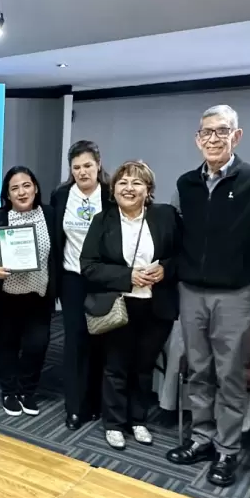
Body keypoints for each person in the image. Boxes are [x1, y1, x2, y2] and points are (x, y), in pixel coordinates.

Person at [166, 105, 250, 487]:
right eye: (206, 132)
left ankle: (227, 450)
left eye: (222, 131)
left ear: (237, 135)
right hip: (193, 292)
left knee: (230, 375)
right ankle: (201, 437)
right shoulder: (186, 183)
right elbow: (177, 233)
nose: (213, 139)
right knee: (198, 371)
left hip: (238, 294)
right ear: (197, 139)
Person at [79, 161, 181, 450]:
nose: (129, 188)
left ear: (148, 189)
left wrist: (166, 269)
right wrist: (128, 276)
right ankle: (113, 423)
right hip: (120, 305)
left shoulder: (165, 216)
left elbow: (182, 256)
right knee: (116, 366)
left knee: (144, 366)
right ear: (114, 189)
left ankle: (137, 420)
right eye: (123, 182)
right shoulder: (103, 220)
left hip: (156, 306)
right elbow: (88, 266)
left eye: (137, 182)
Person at [0, 165, 56, 416]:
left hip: (38, 295)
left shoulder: (50, 215)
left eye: (26, 185)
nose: (21, 192)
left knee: (36, 346)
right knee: (6, 346)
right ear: (7, 194)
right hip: (4, 296)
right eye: (14, 188)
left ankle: (27, 391)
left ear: (36, 188)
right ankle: (9, 391)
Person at [50, 140, 113, 430]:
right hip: (72, 278)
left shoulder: (112, 194)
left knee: (100, 341)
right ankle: (74, 407)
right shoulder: (62, 195)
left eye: (87, 165)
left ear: (98, 165)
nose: (82, 172)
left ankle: (95, 402)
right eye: (76, 167)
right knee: (74, 342)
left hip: (102, 280)